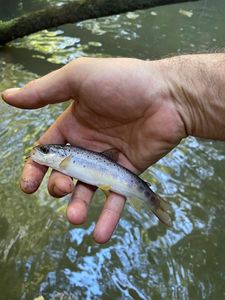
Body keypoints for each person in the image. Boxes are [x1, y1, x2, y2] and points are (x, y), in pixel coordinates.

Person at [2, 54, 225, 243]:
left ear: (58, 155)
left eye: (45, 151)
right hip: (113, 174)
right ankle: (155, 202)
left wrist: (175, 96)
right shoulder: (63, 159)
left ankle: (154, 202)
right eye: (43, 151)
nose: (39, 152)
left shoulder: (65, 161)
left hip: (114, 174)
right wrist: (177, 97)